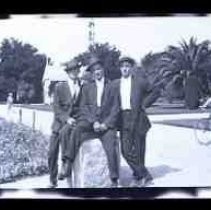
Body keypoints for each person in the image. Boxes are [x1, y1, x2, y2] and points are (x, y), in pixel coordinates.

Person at [64, 57, 120, 187]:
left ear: (103, 70)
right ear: (92, 73)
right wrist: (93, 122)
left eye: (99, 69)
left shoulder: (112, 86)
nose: (97, 72)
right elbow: (84, 107)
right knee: (77, 130)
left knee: (111, 146)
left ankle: (113, 179)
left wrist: (106, 124)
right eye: (94, 70)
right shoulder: (87, 87)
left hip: (106, 125)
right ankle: (68, 163)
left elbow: (116, 108)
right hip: (91, 124)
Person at [112, 56, 161, 187]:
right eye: (123, 67)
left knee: (139, 150)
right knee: (125, 150)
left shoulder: (140, 81)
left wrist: (144, 104)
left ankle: (138, 176)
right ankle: (144, 174)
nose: (125, 69)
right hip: (123, 118)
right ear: (120, 68)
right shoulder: (116, 84)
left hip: (139, 118)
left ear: (131, 68)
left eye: (127, 66)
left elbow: (155, 91)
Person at [48, 59, 82, 188]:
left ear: (78, 71)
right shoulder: (60, 87)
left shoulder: (81, 85)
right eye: (71, 70)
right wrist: (66, 118)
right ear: (68, 72)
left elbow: (80, 106)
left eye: (76, 70)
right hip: (59, 124)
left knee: (68, 147)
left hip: (72, 123)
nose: (74, 72)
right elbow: (56, 107)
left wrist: (75, 119)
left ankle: (65, 170)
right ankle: (52, 180)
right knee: (52, 152)